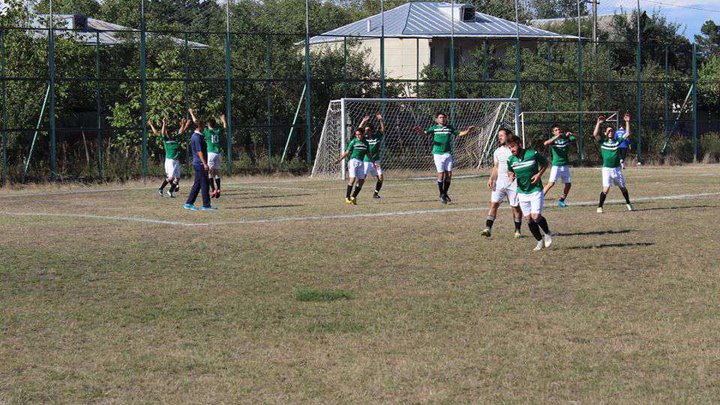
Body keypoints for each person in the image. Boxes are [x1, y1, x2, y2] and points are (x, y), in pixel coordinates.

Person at [413, 113, 476, 204]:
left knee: (449, 175)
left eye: (444, 117)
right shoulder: (434, 128)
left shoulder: (449, 128)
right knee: (441, 175)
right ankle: (441, 194)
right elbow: (424, 134)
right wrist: (418, 130)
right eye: (440, 117)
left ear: (446, 119)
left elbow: (459, 133)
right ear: (437, 119)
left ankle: (444, 193)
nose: (442, 119)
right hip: (438, 154)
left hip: (447, 154)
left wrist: (468, 131)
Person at [506, 134, 553, 251]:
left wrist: (539, 174)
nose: (512, 149)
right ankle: (539, 241)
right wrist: (511, 176)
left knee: (536, 216)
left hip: (536, 190)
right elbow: (510, 171)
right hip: (522, 192)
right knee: (529, 219)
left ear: (519, 144)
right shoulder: (510, 160)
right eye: (509, 147)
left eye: (513, 146)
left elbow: (545, 163)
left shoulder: (532, 154)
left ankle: (547, 233)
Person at [481, 128, 523, 238]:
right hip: (499, 183)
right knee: (494, 204)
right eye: (498, 135)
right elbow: (496, 167)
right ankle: (487, 228)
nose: (499, 137)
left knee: (515, 207)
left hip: (513, 183)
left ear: (508, 136)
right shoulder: (497, 151)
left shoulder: (514, 149)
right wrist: (491, 179)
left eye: (502, 135)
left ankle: (517, 230)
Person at [593, 113, 634, 213]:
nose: (611, 132)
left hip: (616, 169)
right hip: (607, 169)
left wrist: (627, 122)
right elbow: (595, 134)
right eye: (609, 131)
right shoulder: (603, 142)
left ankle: (628, 203)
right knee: (606, 189)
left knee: (623, 188)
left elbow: (627, 133)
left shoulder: (617, 141)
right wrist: (598, 123)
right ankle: (600, 206)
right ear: (605, 133)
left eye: (612, 131)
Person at [184, 110, 216, 211]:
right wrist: (205, 163)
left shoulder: (197, 135)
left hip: (197, 163)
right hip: (199, 163)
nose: (204, 128)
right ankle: (206, 205)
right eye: (203, 127)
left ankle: (189, 203)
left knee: (197, 184)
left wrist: (192, 114)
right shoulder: (197, 137)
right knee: (205, 183)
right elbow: (199, 151)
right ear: (200, 127)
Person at [190, 109, 226, 199]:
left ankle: (213, 189)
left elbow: (196, 122)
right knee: (217, 172)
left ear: (208, 125)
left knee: (209, 172)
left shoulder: (207, 131)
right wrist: (223, 120)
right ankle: (218, 189)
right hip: (218, 153)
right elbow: (225, 127)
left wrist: (191, 113)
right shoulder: (217, 130)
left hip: (210, 153)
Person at [150, 117, 188, 198]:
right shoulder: (165, 139)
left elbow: (181, 131)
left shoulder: (176, 139)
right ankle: (160, 189)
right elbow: (160, 133)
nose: (172, 134)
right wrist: (163, 123)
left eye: (172, 133)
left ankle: (170, 191)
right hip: (170, 160)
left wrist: (183, 124)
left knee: (177, 178)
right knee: (170, 177)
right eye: (170, 133)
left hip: (176, 160)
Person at [543, 124, 577, 207]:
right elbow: (545, 143)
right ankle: (539, 199)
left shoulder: (566, 138)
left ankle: (561, 200)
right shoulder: (553, 140)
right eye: (556, 130)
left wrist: (571, 134)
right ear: (553, 132)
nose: (558, 131)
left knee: (568, 184)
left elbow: (576, 137)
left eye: (559, 129)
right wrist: (556, 137)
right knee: (550, 184)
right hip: (556, 165)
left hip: (565, 165)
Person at [335, 128, 370, 205]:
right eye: (356, 134)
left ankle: (353, 197)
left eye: (359, 134)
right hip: (353, 161)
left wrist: (373, 162)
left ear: (363, 134)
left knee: (361, 180)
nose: (358, 136)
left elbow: (368, 154)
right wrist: (339, 160)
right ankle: (347, 197)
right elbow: (347, 152)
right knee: (353, 179)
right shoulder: (353, 141)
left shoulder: (366, 143)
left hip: (361, 162)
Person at [359, 113, 385, 199]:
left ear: (372, 130)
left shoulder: (377, 136)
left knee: (380, 178)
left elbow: (382, 129)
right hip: (366, 161)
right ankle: (355, 193)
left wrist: (380, 120)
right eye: (365, 130)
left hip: (376, 161)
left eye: (368, 130)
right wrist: (363, 121)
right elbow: (358, 130)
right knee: (362, 179)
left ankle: (375, 194)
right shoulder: (364, 138)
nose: (366, 131)